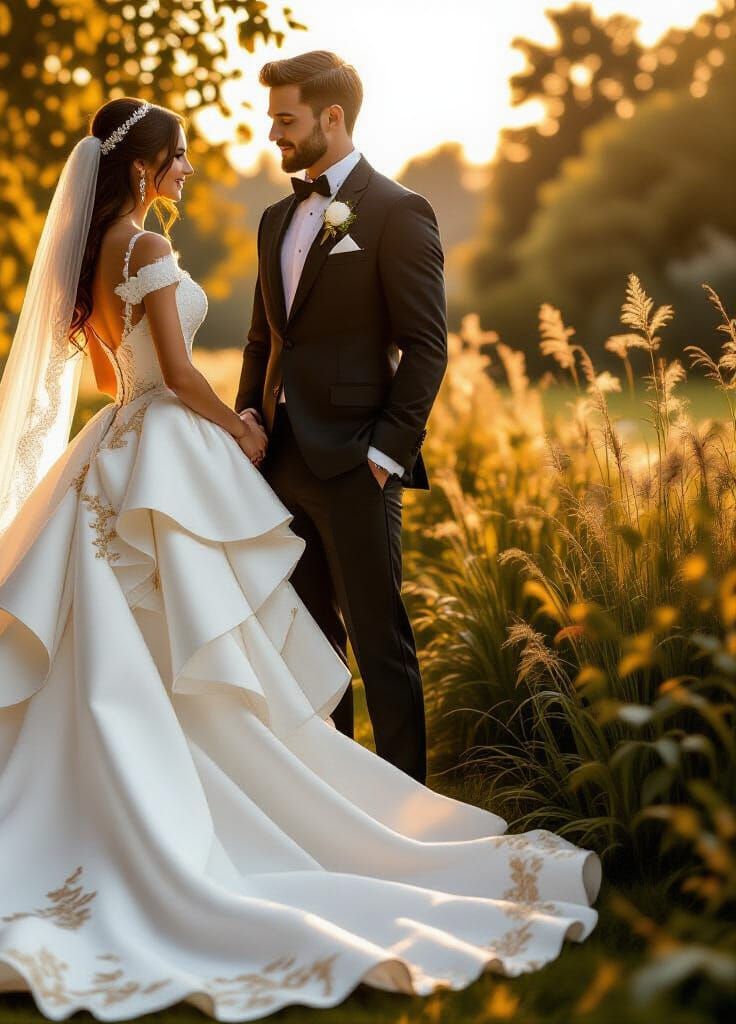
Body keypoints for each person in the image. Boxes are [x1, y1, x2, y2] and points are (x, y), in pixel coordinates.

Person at [0, 96, 601, 1021]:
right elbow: (178, 374)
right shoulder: (145, 247)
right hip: (165, 441)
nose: (188, 170)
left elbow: (117, 376)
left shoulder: (93, 251)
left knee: (121, 626)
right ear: (144, 168)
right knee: (177, 622)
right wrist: (239, 428)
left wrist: (171, 400)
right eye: (178, 157)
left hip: (116, 442)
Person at [237, 51, 443, 785]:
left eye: (285, 119)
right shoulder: (273, 219)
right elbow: (265, 338)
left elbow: (425, 346)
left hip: (358, 462)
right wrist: (246, 426)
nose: (274, 134)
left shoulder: (398, 211)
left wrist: (386, 456)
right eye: (273, 120)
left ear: (333, 117)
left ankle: (412, 811)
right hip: (281, 460)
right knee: (309, 648)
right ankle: (338, 804)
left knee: (380, 646)